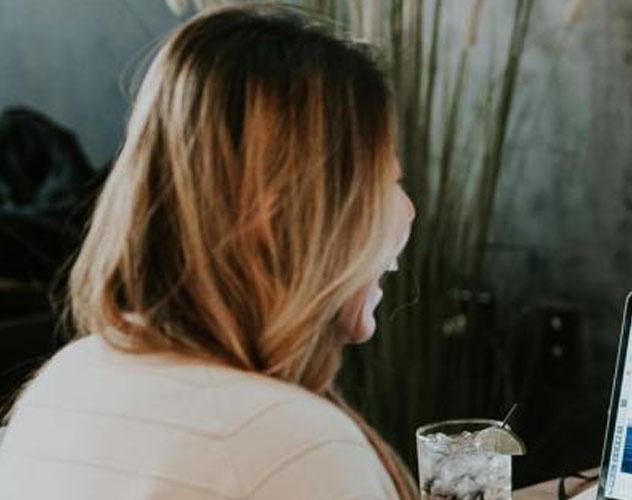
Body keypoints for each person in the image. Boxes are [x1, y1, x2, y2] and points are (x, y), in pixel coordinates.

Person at [0, 5, 417, 498]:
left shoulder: (61, 387)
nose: (407, 210)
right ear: (277, 219)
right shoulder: (293, 450)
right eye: (386, 183)